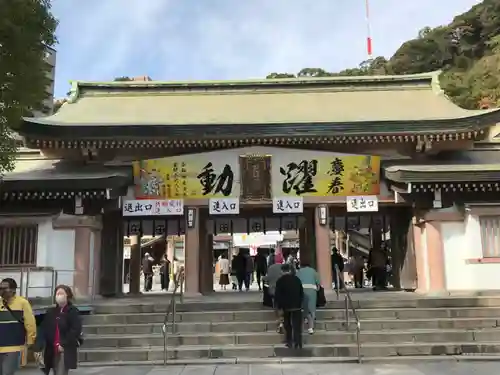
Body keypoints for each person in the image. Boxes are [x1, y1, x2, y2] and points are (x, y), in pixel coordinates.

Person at [34, 285, 82, 375]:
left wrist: (63, 343)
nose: (59, 296)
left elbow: (75, 330)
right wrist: (38, 346)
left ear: (68, 295)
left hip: (64, 348)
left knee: (61, 371)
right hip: (50, 348)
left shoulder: (72, 311)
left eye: (61, 293)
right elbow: (43, 329)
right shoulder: (51, 312)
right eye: (57, 293)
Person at [0, 278, 37, 375]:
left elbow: (30, 323)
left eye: (5, 288)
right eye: (0, 288)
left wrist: (30, 341)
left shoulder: (22, 303)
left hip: (13, 347)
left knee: (7, 372)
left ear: (13, 290)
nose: (2, 290)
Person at [274, 264, 304, 349]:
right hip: (297, 306)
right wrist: (300, 302)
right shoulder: (296, 279)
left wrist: (278, 306)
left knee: (287, 325)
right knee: (297, 325)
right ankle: (298, 342)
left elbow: (278, 295)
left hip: (286, 306)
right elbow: (301, 292)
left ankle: (289, 341)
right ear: (290, 270)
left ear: (282, 271)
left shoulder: (280, 281)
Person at [296, 261, 321, 334]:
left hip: (302, 290)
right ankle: (311, 326)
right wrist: (318, 288)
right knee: (312, 307)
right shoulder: (313, 271)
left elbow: (296, 280)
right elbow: (318, 282)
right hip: (312, 290)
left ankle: (304, 320)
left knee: (303, 306)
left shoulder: (299, 271)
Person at [263, 259, 285, 333]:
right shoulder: (283, 267)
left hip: (273, 290)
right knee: (282, 305)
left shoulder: (271, 267)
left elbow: (267, 278)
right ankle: (282, 319)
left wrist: (263, 279)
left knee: (275, 304)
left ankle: (278, 318)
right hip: (282, 290)